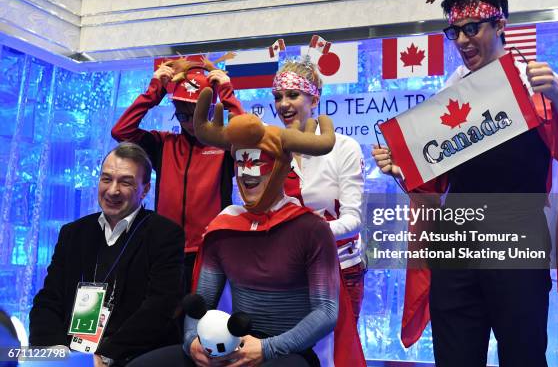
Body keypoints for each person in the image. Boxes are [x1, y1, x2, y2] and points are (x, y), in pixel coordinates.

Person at [372, 0, 558, 366]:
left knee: (523, 353)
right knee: (455, 355)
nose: (461, 39)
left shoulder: (534, 84)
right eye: (454, 31)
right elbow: (432, 187)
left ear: (500, 26)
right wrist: (400, 173)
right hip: (456, 239)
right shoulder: (449, 96)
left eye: (471, 28)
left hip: (518, 234)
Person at [127, 88, 339, 367]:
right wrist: (192, 341)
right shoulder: (224, 227)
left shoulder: (311, 229)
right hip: (228, 345)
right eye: (241, 161)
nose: (247, 172)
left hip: (288, 354)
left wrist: (268, 348)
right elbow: (201, 300)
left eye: (259, 162)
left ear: (281, 167)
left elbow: (326, 312)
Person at [29, 142, 185, 366]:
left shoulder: (165, 235)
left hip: (130, 356)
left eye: (125, 182)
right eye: (106, 179)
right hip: (73, 354)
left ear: (146, 189)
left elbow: (159, 309)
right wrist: (59, 352)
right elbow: (48, 300)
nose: (113, 190)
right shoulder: (73, 233)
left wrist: (103, 356)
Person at [111, 57, 244, 292]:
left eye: (197, 114)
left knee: (201, 325)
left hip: (210, 253)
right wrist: (154, 91)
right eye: (183, 115)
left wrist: (227, 93)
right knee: (165, 323)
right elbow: (121, 131)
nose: (191, 123)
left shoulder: (224, 148)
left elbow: (249, 138)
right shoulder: (164, 144)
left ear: (211, 110)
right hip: (166, 250)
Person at [272, 60, 366, 323]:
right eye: (278, 97)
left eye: (293, 95)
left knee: (339, 357)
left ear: (314, 100)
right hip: (288, 272)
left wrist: (304, 234)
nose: (283, 104)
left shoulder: (344, 147)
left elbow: (353, 221)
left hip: (339, 270)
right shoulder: (272, 150)